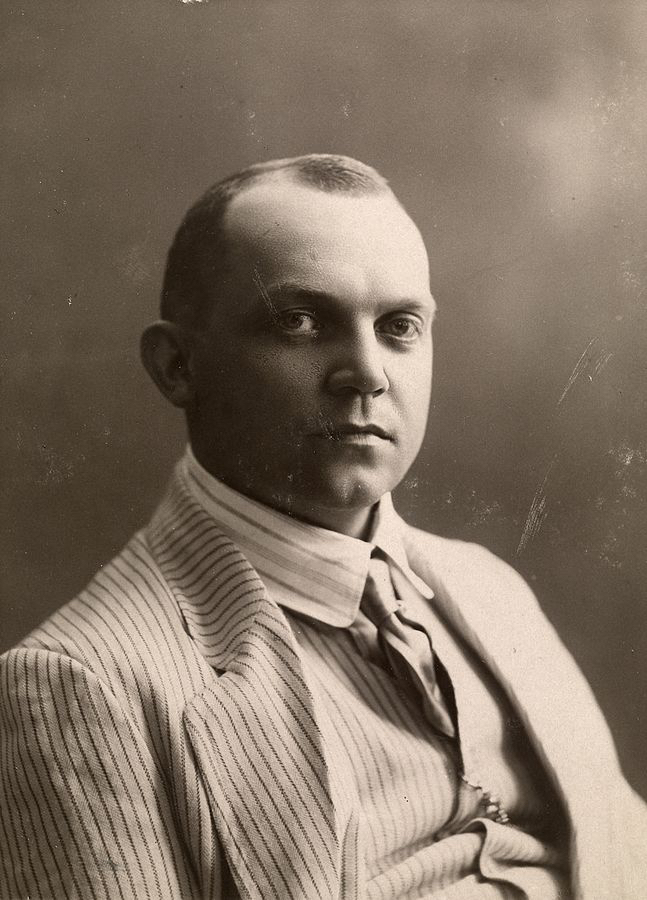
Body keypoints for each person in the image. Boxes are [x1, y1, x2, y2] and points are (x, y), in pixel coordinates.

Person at [0, 154, 645, 900]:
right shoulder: (82, 685)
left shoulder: (486, 586)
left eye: (399, 326)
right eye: (299, 322)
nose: (366, 373)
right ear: (178, 366)